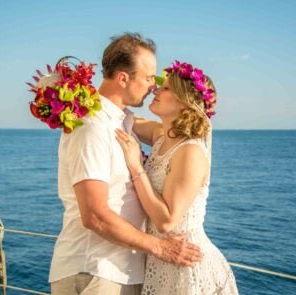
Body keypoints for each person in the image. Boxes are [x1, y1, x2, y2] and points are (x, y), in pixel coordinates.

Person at [49, 34, 202, 295]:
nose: (153, 87)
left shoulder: (122, 123)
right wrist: (160, 247)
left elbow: (173, 135)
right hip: (95, 271)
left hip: (119, 271)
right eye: (148, 78)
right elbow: (94, 215)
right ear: (123, 78)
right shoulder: (93, 127)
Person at [116, 61, 239, 294]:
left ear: (185, 102)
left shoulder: (190, 151)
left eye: (166, 88)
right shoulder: (163, 135)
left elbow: (166, 221)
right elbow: (120, 117)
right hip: (161, 257)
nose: (155, 90)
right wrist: (76, 95)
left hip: (186, 263)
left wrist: (135, 165)